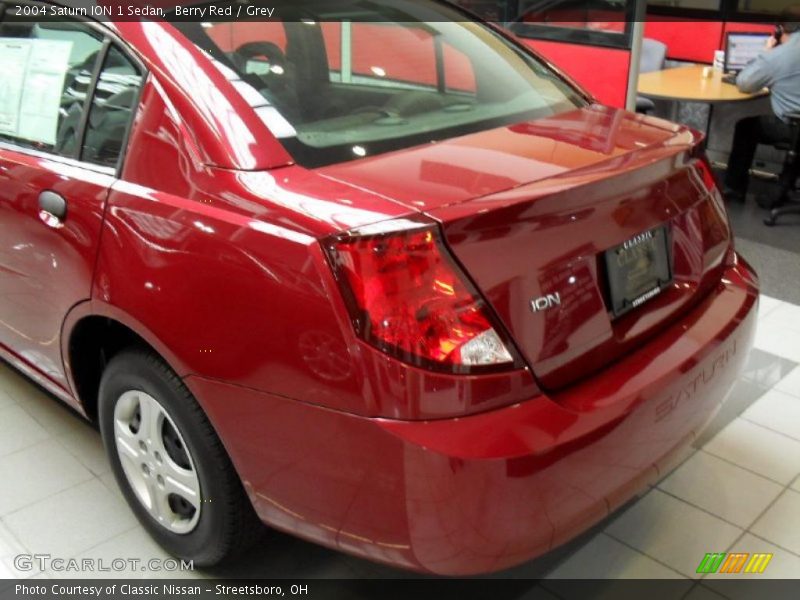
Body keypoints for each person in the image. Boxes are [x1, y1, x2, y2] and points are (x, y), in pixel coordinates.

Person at [723, 10, 800, 206]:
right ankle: (785, 185)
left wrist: (765, 53)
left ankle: (734, 189)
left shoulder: (778, 55)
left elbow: (745, 83)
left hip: (793, 126)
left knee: (746, 127)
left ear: (779, 30)